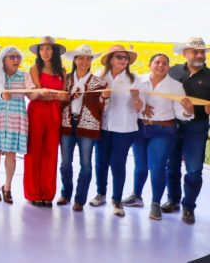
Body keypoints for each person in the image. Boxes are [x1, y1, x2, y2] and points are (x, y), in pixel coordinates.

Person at [122, 53, 193, 220]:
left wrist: (188, 111)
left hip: (164, 130)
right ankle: (136, 196)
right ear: (149, 64)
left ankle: (155, 203)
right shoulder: (138, 81)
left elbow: (179, 112)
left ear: (168, 67)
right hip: (140, 129)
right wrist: (141, 105)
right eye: (157, 62)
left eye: (164, 63)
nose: (161, 65)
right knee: (140, 166)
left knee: (157, 167)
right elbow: (132, 105)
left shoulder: (175, 86)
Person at [89, 45, 143, 218]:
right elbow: (91, 101)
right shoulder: (99, 76)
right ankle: (101, 194)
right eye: (119, 57)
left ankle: (117, 200)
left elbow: (139, 108)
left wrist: (135, 99)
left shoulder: (134, 79)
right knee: (100, 161)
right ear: (110, 59)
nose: (123, 60)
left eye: (126, 58)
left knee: (118, 164)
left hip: (125, 129)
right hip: (103, 126)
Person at [57, 44, 109, 211]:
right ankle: (66, 193)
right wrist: (66, 97)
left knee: (86, 164)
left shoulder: (99, 82)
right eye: (81, 58)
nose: (84, 61)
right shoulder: (66, 80)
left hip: (88, 127)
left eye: (88, 58)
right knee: (65, 163)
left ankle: (80, 199)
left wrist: (105, 97)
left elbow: (104, 108)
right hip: (66, 124)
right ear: (75, 60)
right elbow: (59, 103)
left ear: (91, 61)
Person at [164, 37, 210, 224]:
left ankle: (188, 206)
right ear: (185, 53)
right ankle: (173, 200)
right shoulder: (173, 71)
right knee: (172, 165)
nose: (200, 55)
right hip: (173, 124)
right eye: (195, 51)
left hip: (197, 127)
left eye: (202, 52)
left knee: (194, 170)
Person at [0, 46, 38, 205]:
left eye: (18, 56)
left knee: (11, 154)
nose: (16, 59)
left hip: (16, 119)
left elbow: (32, 95)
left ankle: (8, 187)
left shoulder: (24, 76)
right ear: (3, 60)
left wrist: (41, 91)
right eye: (12, 57)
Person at [25, 37, 67, 207]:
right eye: (42, 49)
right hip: (37, 112)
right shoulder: (34, 69)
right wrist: (55, 95)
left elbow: (63, 95)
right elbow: (36, 93)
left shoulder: (62, 71)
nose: (45, 52)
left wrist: (57, 96)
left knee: (51, 153)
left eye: (49, 49)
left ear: (54, 52)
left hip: (54, 113)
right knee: (34, 151)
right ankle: (33, 193)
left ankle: (47, 194)